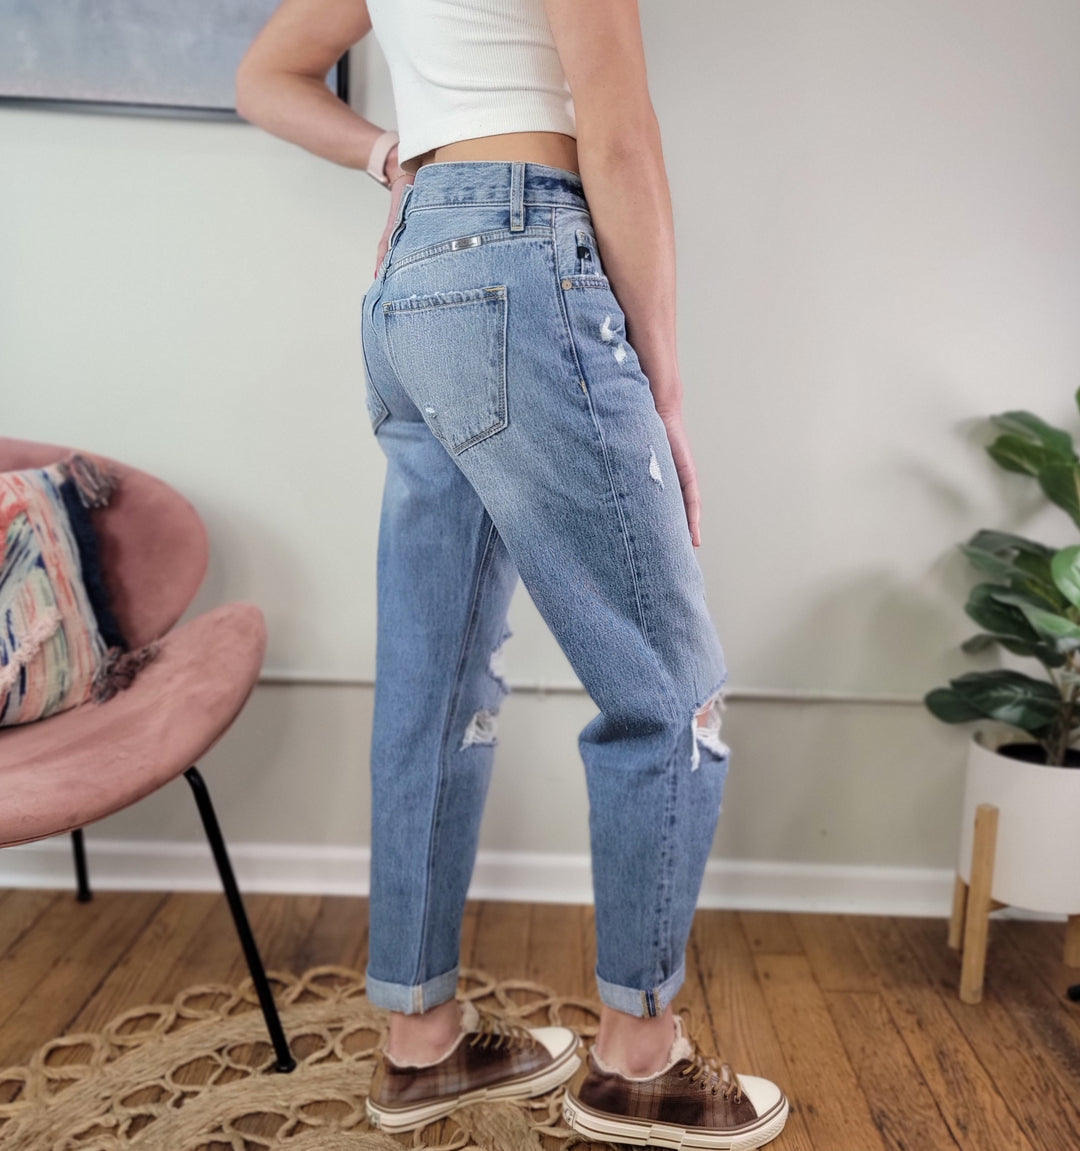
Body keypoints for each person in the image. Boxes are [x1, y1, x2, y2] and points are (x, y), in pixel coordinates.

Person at [236, 1, 789, 1146]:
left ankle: (421, 1041)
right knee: (669, 687)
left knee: (435, 683)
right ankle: (639, 1059)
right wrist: (664, 387)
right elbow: (618, 134)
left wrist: (388, 158)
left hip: (413, 283)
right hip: (521, 253)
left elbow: (264, 77)